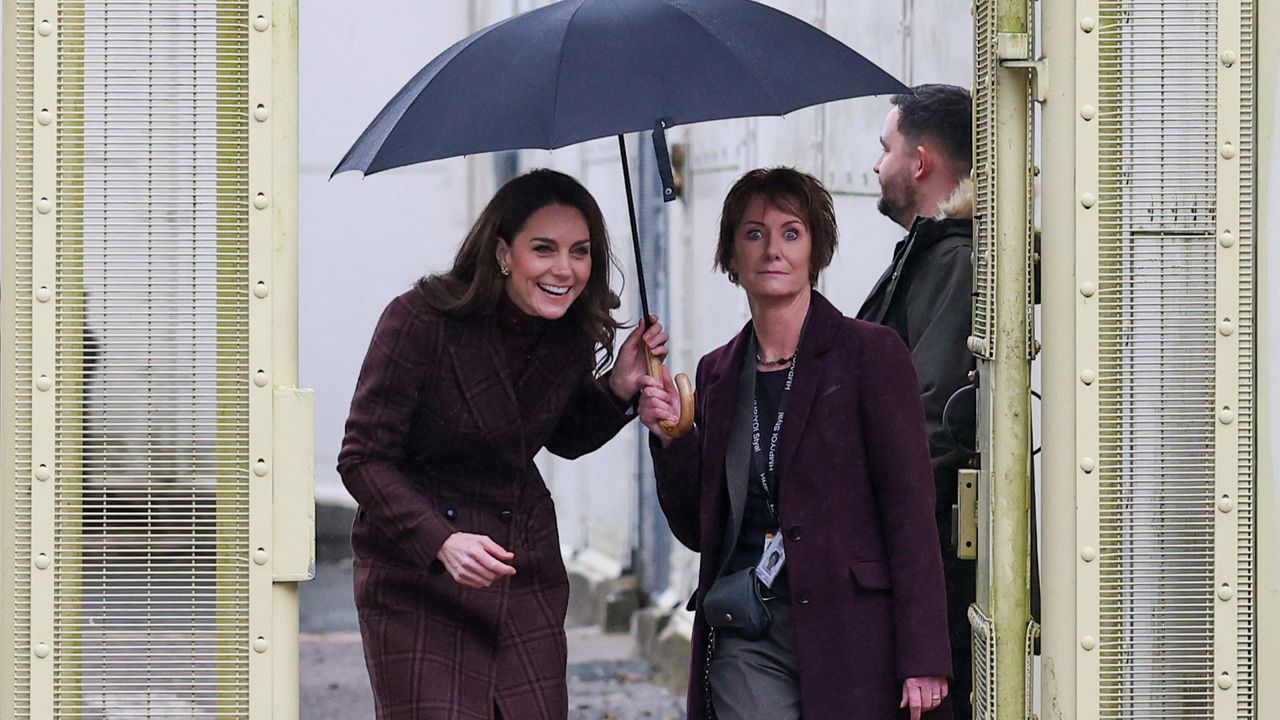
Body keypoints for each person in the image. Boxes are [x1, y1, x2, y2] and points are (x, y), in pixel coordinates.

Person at [338, 169, 667, 720]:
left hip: (520, 568)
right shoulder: (420, 320)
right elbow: (363, 458)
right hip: (419, 578)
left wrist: (618, 385)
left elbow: (561, 436)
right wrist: (441, 540)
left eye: (580, 251)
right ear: (502, 252)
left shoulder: (569, 330)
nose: (565, 269)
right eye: (544, 249)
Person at [639, 167, 952, 720]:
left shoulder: (870, 355)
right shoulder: (716, 373)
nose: (772, 250)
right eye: (754, 234)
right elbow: (699, 529)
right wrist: (673, 440)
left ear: (815, 249)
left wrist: (924, 652)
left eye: (791, 232)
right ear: (731, 257)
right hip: (748, 629)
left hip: (854, 632)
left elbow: (909, 511)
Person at [859, 83, 978, 719]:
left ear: (921, 162)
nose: (876, 166)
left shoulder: (951, 259)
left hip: (928, 561)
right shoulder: (933, 255)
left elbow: (928, 420)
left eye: (886, 149)